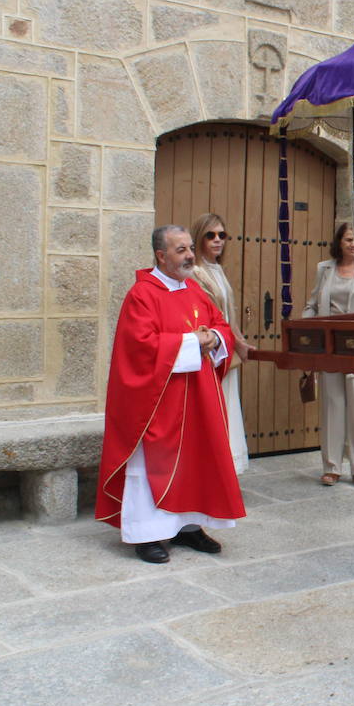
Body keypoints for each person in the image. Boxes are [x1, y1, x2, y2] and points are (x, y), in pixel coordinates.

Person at [95, 225, 245, 563]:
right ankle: (147, 535)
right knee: (152, 466)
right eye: (181, 250)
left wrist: (215, 338)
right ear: (161, 256)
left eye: (191, 248)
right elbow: (140, 348)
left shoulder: (193, 289)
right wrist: (194, 341)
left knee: (196, 459)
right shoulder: (142, 295)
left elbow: (219, 325)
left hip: (198, 399)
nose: (191, 255)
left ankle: (189, 527)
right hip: (158, 401)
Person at [303, 222, 354, 487]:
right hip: (329, 345)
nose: (353, 244)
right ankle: (331, 466)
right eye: (348, 240)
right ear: (338, 242)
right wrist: (305, 332)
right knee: (333, 404)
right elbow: (311, 304)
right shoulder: (325, 269)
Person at [190, 213, 252, 475]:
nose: (217, 240)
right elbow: (208, 315)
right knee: (213, 411)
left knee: (228, 405)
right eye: (210, 235)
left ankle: (225, 469)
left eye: (222, 235)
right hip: (211, 352)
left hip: (226, 349)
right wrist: (233, 341)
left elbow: (229, 313)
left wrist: (240, 342)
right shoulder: (195, 272)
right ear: (199, 237)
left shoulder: (217, 269)